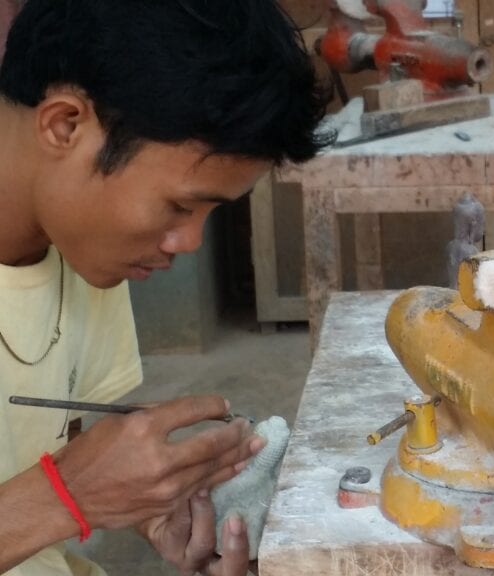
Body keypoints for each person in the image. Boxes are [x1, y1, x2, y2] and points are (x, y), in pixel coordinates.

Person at [0, 0, 331, 574]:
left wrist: (149, 503)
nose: (188, 243)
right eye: (179, 206)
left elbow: (55, 449)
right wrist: (67, 496)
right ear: (65, 124)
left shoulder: (83, 250)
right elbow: (60, 485)